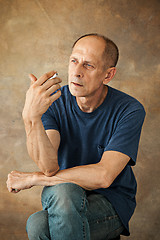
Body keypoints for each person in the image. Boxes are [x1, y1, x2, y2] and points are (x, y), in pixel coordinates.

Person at [7, 33, 145, 240]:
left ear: (108, 75)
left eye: (88, 65)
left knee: (39, 224)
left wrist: (35, 178)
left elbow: (104, 176)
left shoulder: (130, 109)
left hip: (111, 202)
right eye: (74, 61)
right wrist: (31, 117)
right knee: (63, 195)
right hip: (63, 194)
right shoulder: (53, 102)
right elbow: (49, 167)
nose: (77, 72)